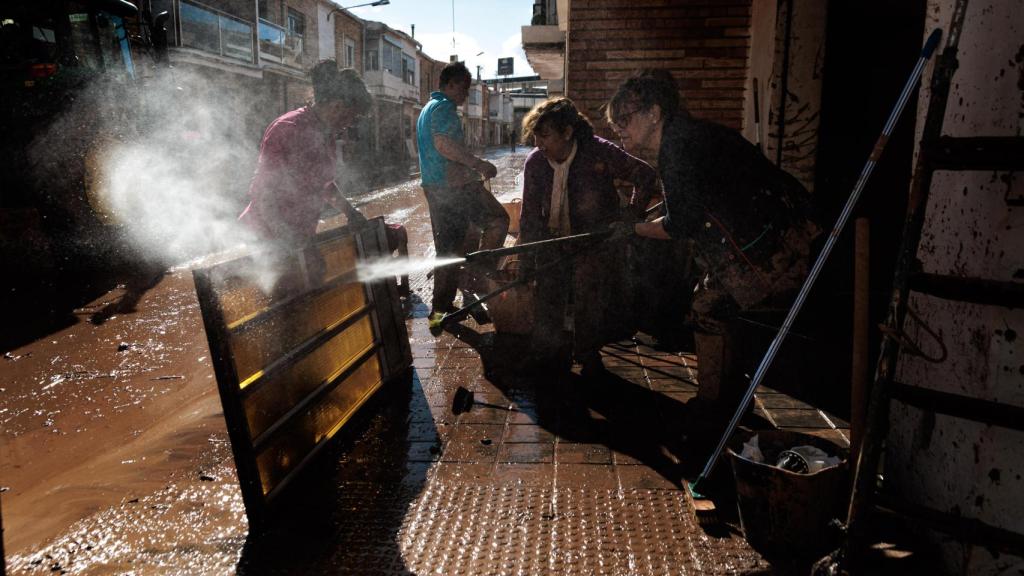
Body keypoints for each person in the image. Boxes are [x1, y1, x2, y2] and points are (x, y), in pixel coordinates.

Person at [605, 69, 820, 411]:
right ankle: (731, 393)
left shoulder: (677, 151)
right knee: (716, 304)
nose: (618, 127)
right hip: (784, 227)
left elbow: (682, 225)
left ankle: (715, 401)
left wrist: (631, 229)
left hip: (771, 244)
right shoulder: (691, 136)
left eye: (625, 118)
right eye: (615, 122)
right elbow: (695, 200)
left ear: (654, 114)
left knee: (708, 308)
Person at [519, 97, 660, 375]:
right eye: (536, 137)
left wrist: (630, 216)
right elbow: (530, 215)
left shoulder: (599, 153)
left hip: (593, 242)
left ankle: (587, 353)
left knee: (589, 298)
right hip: (552, 240)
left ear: (568, 132)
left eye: (545, 136)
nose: (539, 144)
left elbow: (645, 175)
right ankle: (550, 351)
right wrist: (527, 258)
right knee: (548, 295)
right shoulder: (536, 162)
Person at [239, 60, 372, 249]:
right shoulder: (288, 129)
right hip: (267, 239)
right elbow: (263, 193)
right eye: (352, 116)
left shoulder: (327, 136)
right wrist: (285, 238)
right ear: (337, 106)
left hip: (298, 235)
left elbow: (322, 183)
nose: (350, 124)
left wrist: (350, 212)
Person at [417, 61, 509, 328]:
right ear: (451, 84)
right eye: (464, 88)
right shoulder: (444, 107)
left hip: (434, 187)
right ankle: (476, 277)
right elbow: (443, 144)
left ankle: (439, 312)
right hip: (453, 185)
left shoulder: (427, 108)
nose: (466, 95)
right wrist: (478, 164)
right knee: (497, 220)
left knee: (448, 249)